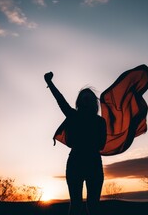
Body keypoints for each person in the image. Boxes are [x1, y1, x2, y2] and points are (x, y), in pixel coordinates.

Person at [44, 72, 107, 215]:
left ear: (92, 102)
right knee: (77, 205)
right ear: (80, 101)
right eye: (84, 97)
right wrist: (50, 83)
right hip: (78, 164)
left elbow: (101, 145)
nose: (86, 100)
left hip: (92, 164)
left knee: (91, 206)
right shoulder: (76, 116)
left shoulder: (98, 121)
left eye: (88, 98)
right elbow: (60, 99)